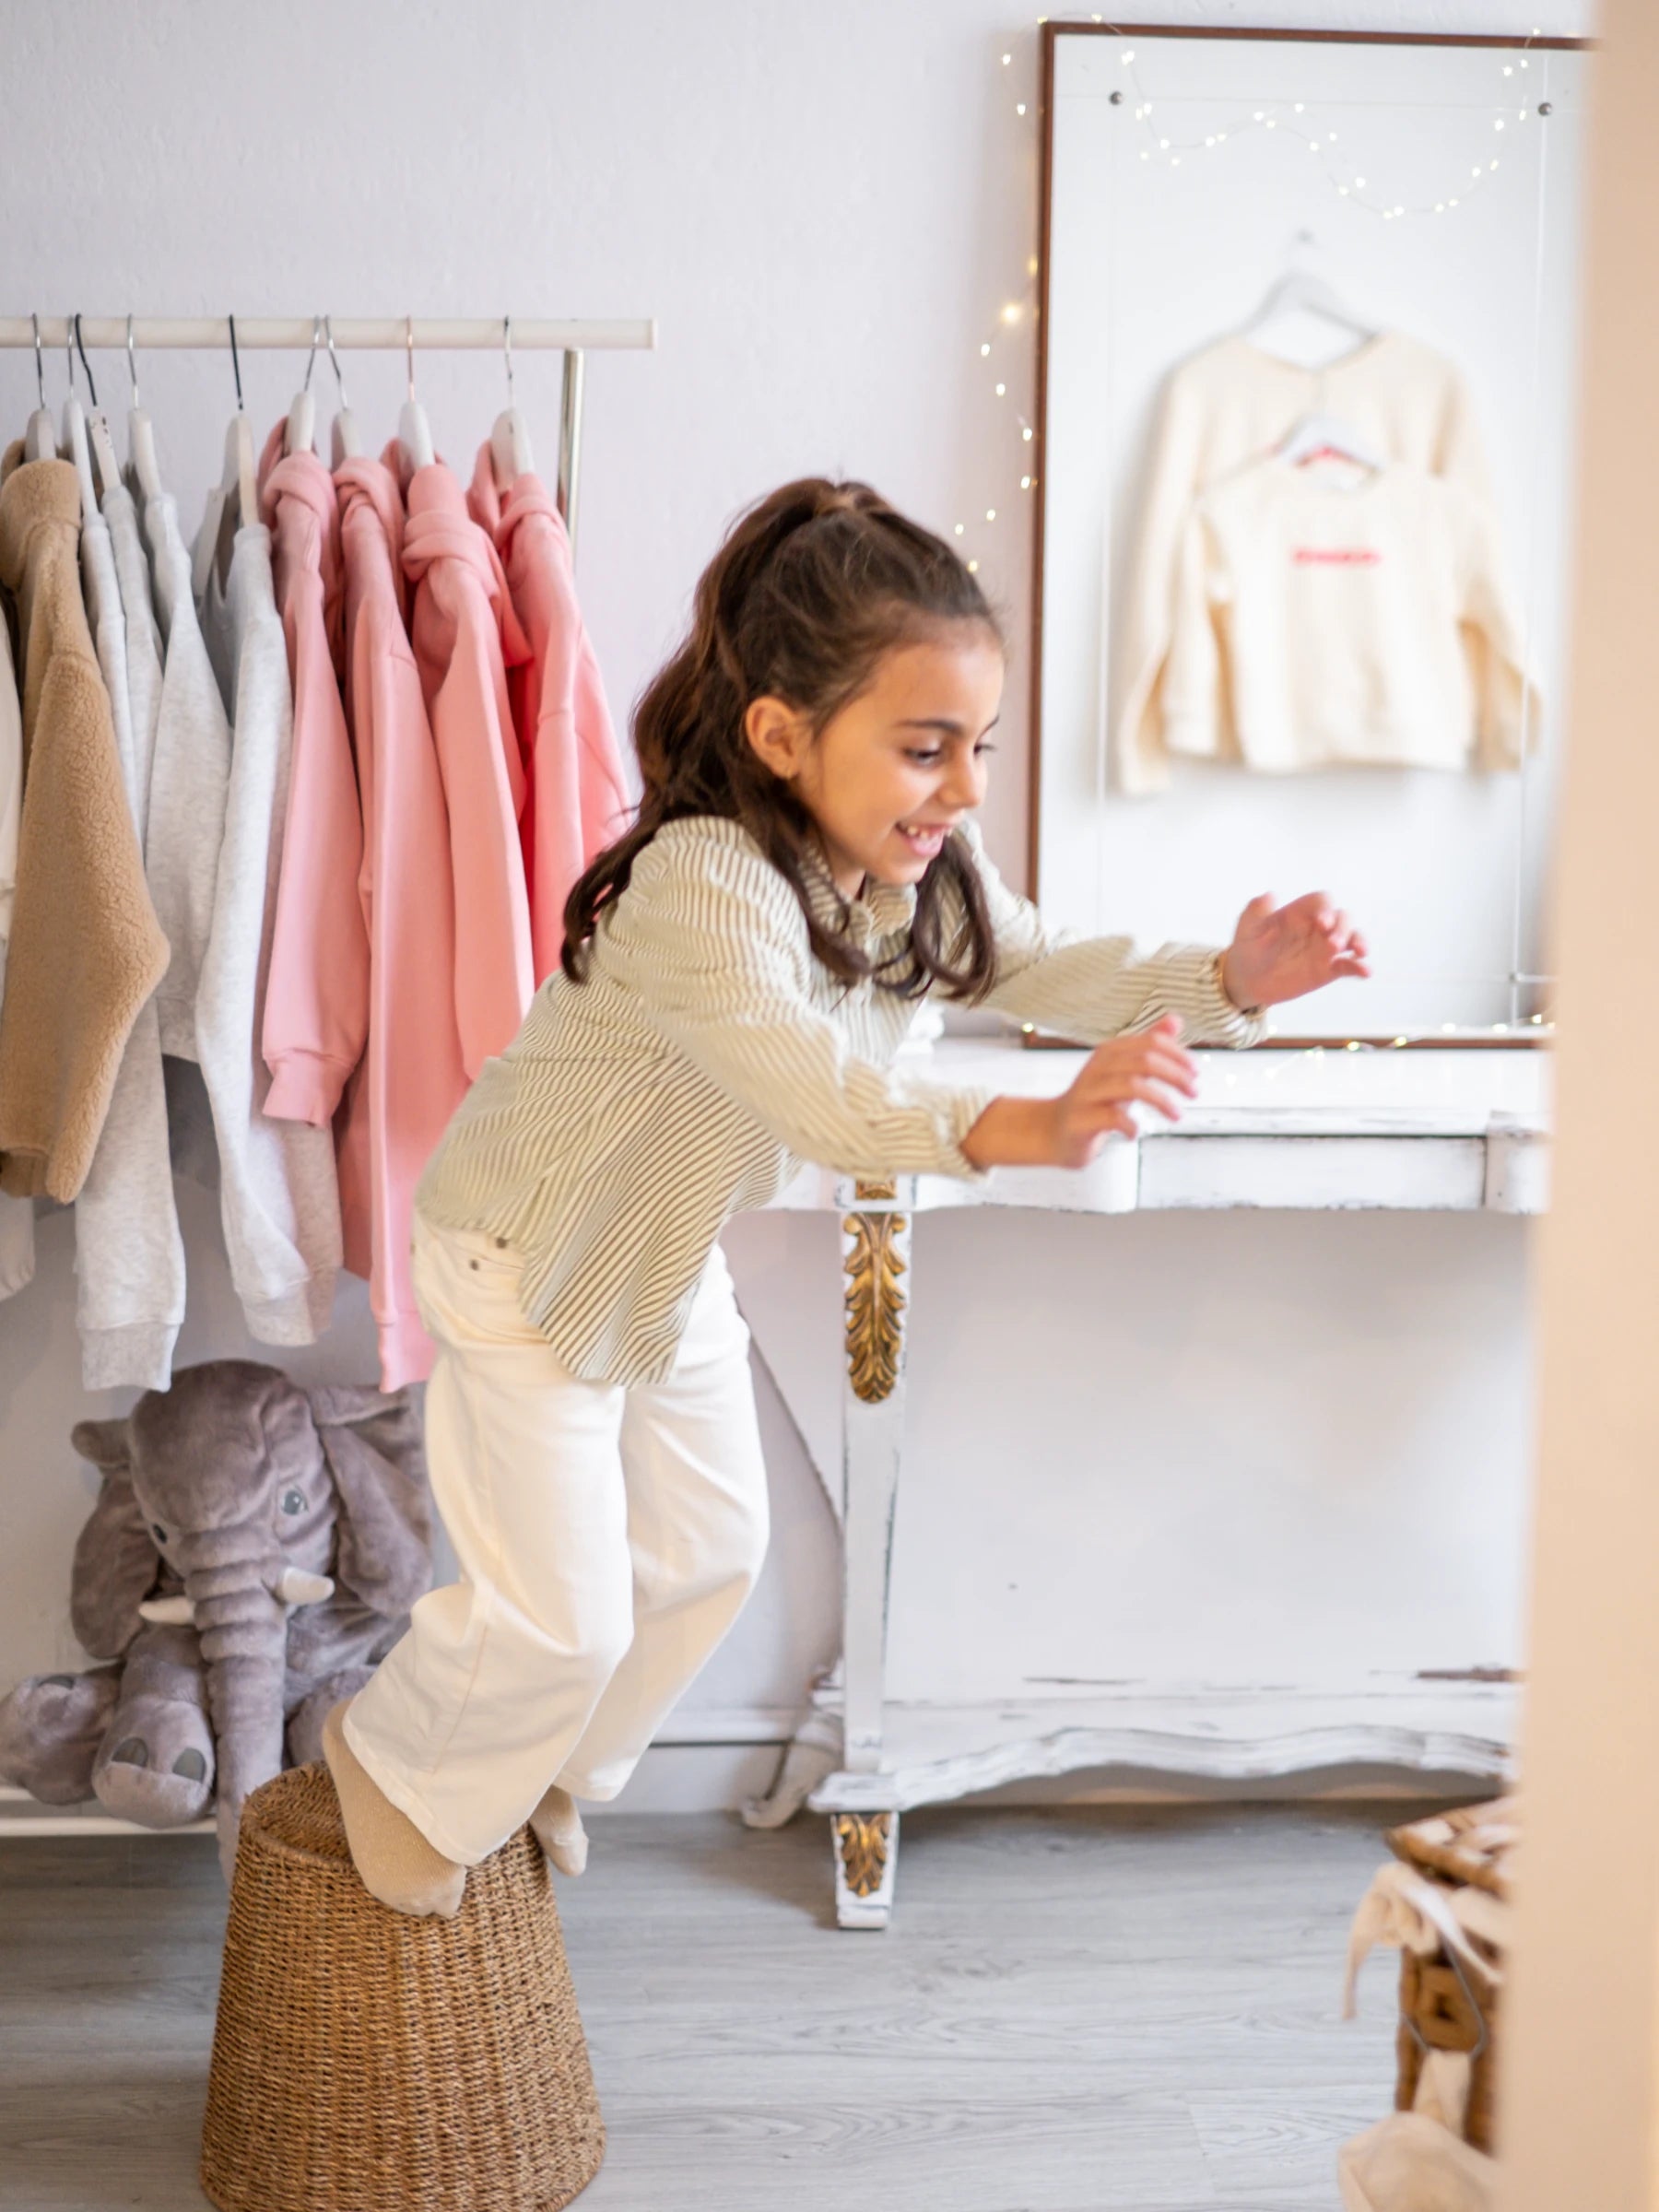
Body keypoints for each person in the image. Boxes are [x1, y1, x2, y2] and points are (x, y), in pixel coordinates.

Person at [324, 477, 1369, 1916]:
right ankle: (394, 1769)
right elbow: (813, 1086)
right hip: (519, 1252)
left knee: (712, 1553)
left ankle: (550, 1766)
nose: (965, 789)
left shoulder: (915, 876)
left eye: (978, 748)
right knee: (559, 1619)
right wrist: (1020, 1124)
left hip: (659, 1250)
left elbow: (1044, 959)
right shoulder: (706, 884)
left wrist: (1227, 980)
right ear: (782, 736)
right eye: (926, 750)